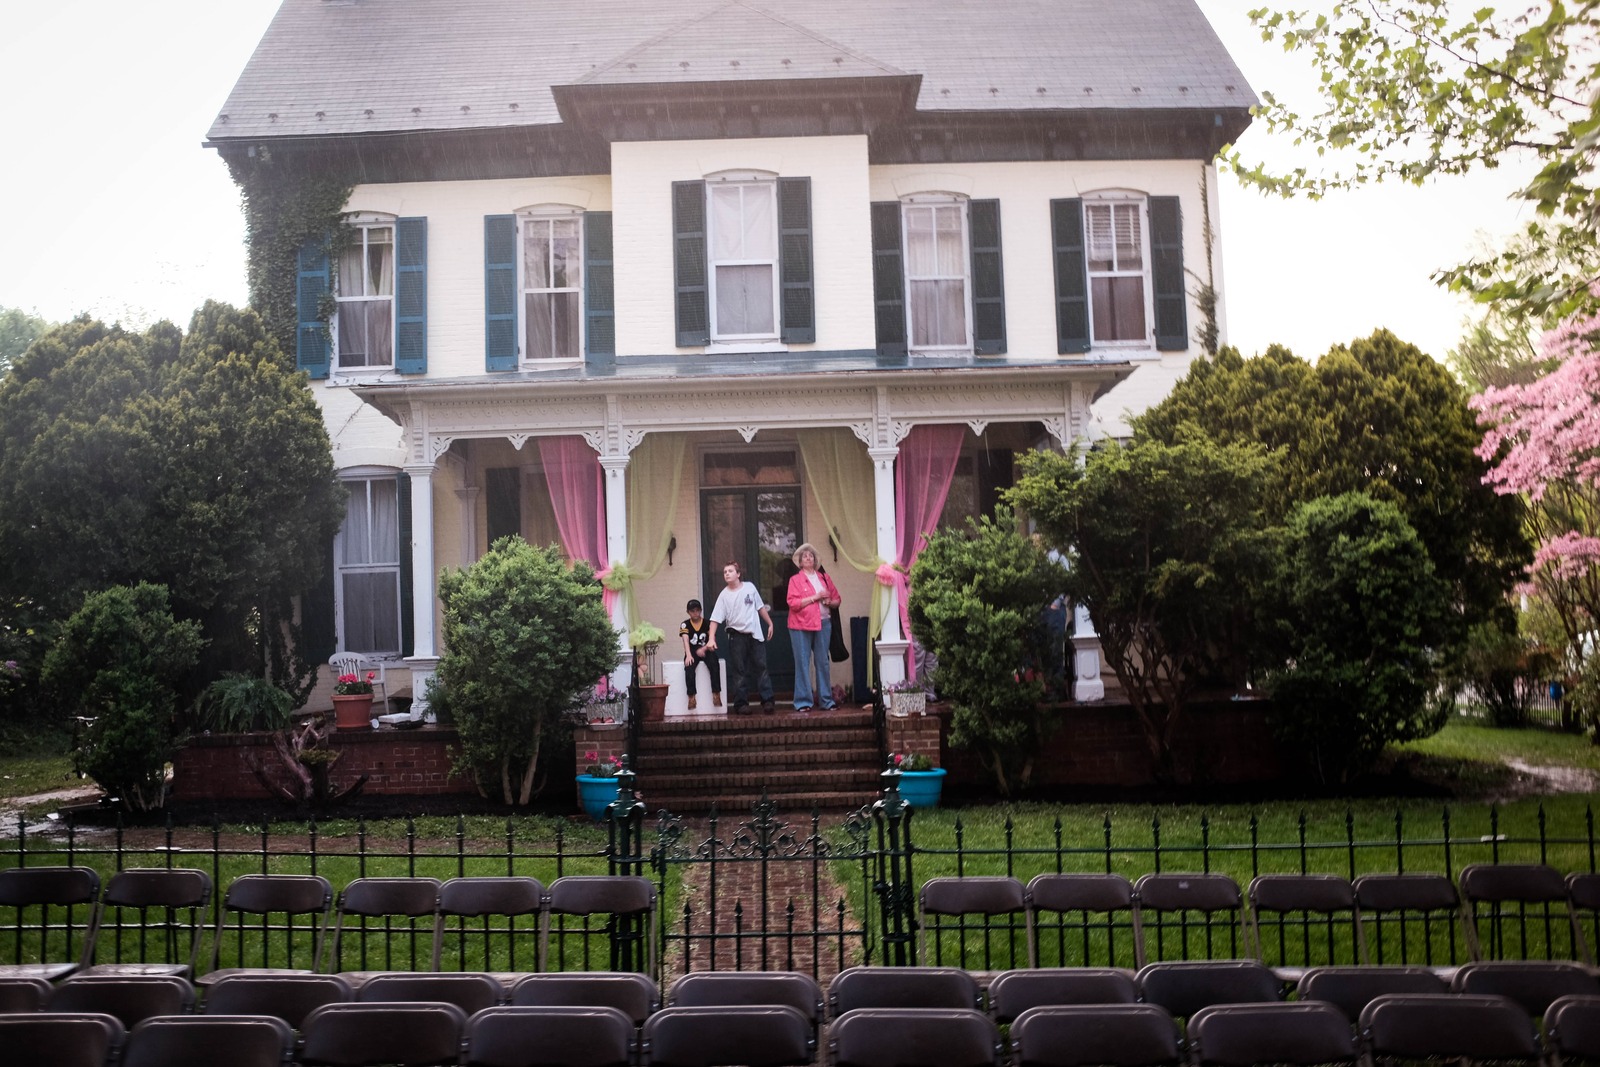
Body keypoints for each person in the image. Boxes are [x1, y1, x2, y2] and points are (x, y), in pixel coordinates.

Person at [706, 560, 775, 715]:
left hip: (755, 635)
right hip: (736, 638)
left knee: (761, 668)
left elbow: (760, 607)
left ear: (738, 574)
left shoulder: (750, 588)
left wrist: (770, 623)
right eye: (725, 572)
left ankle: (768, 701)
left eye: (730, 571)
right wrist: (711, 638)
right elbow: (715, 619)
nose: (727, 574)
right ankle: (741, 704)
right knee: (739, 671)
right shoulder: (723, 595)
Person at [786, 542, 841, 712]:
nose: (808, 557)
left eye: (811, 556)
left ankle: (826, 700)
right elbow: (792, 603)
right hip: (800, 625)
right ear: (800, 563)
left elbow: (837, 600)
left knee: (822, 662)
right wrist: (815, 597)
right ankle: (803, 702)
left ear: (815, 561)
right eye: (805, 556)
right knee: (802, 663)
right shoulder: (795, 579)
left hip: (823, 623)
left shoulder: (824, 577)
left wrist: (829, 602)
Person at [678, 598, 721, 710]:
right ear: (688, 612)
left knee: (714, 663)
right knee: (689, 667)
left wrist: (704, 648)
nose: (695, 613)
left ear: (701, 610)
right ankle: (691, 697)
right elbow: (685, 640)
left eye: (697, 610)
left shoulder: (707, 623)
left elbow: (712, 639)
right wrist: (688, 654)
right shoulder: (685, 624)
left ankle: (716, 694)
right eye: (692, 611)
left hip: (706, 648)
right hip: (692, 650)